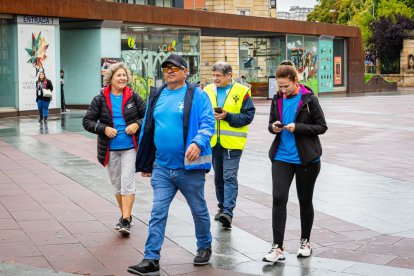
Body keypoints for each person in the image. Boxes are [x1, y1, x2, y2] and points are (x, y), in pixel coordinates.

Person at [128, 54, 215, 275]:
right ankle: (151, 258)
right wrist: (147, 162)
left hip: (189, 168)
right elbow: (149, 128)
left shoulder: (197, 95)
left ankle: (204, 246)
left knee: (198, 209)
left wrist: (198, 142)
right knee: (157, 211)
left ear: (186, 71)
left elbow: (208, 122)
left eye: (174, 68)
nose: (169, 71)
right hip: (162, 168)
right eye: (166, 68)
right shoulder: (157, 95)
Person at [262, 65, 327, 263]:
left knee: (304, 200)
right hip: (281, 156)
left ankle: (305, 241)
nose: (282, 90)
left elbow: (321, 126)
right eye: (279, 86)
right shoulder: (277, 98)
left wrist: (297, 127)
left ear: (295, 81)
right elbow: (272, 122)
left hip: (306, 158)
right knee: (278, 198)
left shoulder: (309, 100)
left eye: (285, 86)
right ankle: (277, 247)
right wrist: (273, 127)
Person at [82, 62, 146, 236]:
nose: (122, 78)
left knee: (127, 182)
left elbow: (147, 116)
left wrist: (136, 124)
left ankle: (125, 220)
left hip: (130, 148)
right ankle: (126, 216)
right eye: (119, 75)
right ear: (111, 78)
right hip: (110, 149)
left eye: (124, 75)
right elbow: (87, 121)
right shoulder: (100, 98)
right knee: (117, 185)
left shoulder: (133, 97)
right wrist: (103, 129)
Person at [204, 61, 255, 229]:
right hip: (214, 142)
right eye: (214, 75)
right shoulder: (207, 90)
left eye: (219, 76)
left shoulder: (242, 91)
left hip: (233, 143)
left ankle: (228, 212)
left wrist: (227, 116)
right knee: (218, 177)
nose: (215, 79)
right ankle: (221, 206)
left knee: (229, 176)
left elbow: (247, 117)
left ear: (228, 75)